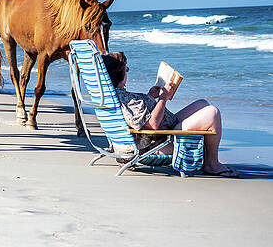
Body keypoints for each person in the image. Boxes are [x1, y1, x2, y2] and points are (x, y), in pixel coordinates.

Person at [102, 52, 239, 178]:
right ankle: (211, 164)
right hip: (158, 144)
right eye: (126, 69)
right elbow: (152, 125)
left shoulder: (113, 96)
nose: (127, 72)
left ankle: (209, 160)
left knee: (202, 104)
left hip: (158, 134)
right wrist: (163, 98)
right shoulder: (126, 99)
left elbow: (137, 118)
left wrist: (150, 97)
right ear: (120, 75)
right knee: (212, 113)